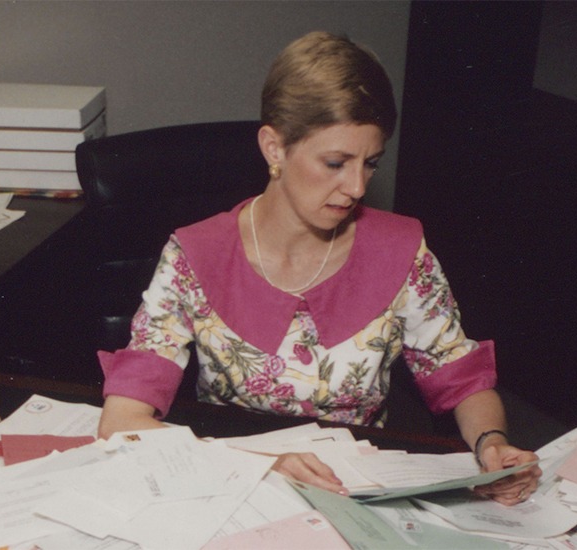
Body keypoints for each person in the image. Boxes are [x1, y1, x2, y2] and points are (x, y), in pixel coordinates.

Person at [96, 31, 540, 504]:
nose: (356, 186)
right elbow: (121, 422)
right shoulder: (194, 255)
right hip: (233, 488)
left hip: (359, 493)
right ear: (274, 148)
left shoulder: (401, 250)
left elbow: (459, 374)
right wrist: (261, 465)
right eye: (334, 162)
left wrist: (491, 443)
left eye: (370, 163)